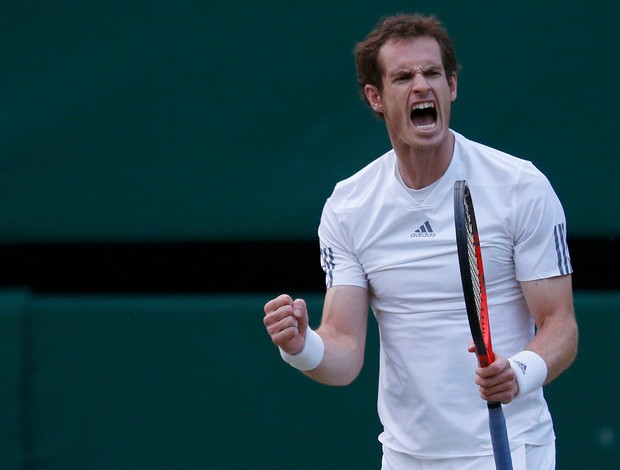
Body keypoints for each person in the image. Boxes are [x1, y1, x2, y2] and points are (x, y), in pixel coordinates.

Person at [262, 12, 578, 470]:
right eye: (403, 77)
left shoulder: (519, 187)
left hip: (511, 451)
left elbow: (561, 326)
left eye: (433, 73)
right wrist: (299, 346)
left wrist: (520, 372)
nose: (421, 86)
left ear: (451, 86)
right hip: (406, 457)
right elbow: (344, 352)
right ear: (376, 97)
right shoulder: (349, 206)